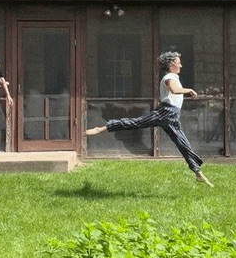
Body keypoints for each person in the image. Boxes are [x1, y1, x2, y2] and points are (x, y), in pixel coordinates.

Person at [85, 51, 214, 187]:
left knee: (183, 144)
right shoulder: (170, 77)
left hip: (173, 116)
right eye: (178, 63)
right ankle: (104, 127)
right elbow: (174, 90)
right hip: (166, 113)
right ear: (171, 65)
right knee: (136, 123)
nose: (181, 65)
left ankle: (198, 173)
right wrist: (189, 90)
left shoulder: (174, 77)